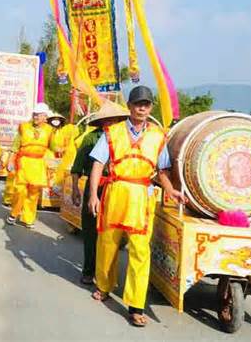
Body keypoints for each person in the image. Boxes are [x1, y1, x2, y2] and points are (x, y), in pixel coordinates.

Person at [88, 86, 185, 327]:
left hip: (142, 196)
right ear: (129, 106)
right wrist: (93, 195)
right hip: (115, 192)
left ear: (150, 108)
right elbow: (98, 164)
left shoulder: (158, 135)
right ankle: (103, 285)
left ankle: (135, 305)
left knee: (140, 251)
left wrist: (170, 189)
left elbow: (161, 171)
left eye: (146, 104)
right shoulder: (111, 132)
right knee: (108, 243)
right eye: (137, 104)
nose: (142, 108)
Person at [70, 99, 129, 285]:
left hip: (117, 187)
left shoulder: (126, 138)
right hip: (95, 186)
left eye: (115, 120)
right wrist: (75, 189)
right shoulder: (91, 138)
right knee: (90, 231)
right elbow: (78, 166)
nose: (111, 123)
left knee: (112, 233)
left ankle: (106, 274)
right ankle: (89, 270)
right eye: (107, 120)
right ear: (102, 122)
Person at [6, 102, 56, 228]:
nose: (35, 116)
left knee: (33, 193)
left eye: (39, 115)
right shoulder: (23, 127)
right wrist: (11, 160)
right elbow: (15, 146)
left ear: (45, 117)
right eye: (34, 114)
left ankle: (28, 219)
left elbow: (54, 147)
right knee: (20, 190)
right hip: (23, 162)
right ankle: (14, 213)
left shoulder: (50, 130)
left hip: (38, 164)